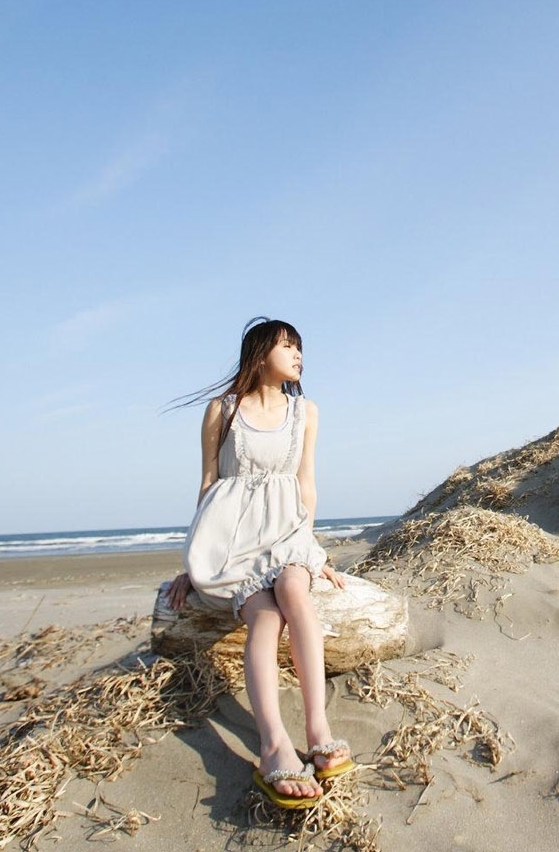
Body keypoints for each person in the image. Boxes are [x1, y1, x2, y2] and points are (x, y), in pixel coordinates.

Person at [164, 317, 355, 809]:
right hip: (231, 541)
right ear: (258, 353)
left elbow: (306, 482)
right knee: (265, 616)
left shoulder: (305, 411)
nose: (297, 355)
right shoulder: (221, 411)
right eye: (287, 345)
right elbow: (208, 486)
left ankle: (318, 730)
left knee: (295, 592)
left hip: (287, 532)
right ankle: (272, 745)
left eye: (299, 348)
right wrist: (192, 561)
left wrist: (314, 551)